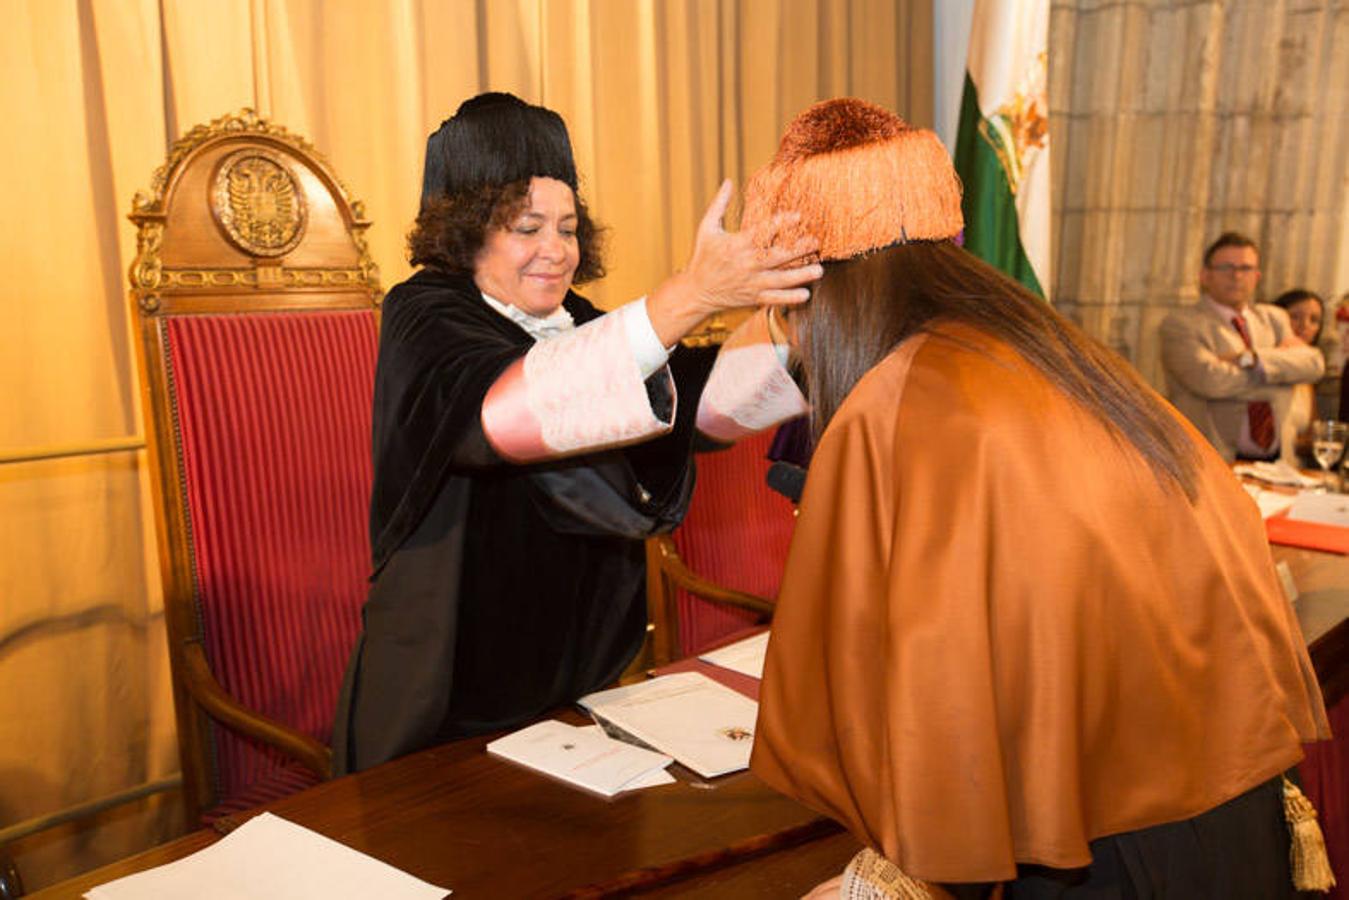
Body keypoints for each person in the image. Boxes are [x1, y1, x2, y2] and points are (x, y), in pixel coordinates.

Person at [742, 98, 1333, 898]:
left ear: (824, 293)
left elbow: (910, 699)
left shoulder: (901, 398)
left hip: (1101, 852)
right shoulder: (1050, 350)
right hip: (1229, 814)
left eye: (787, 315)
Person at [332, 92, 815, 774]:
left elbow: (698, 410)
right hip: (444, 711)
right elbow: (508, 412)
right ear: (465, 231)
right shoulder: (422, 313)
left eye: (566, 227)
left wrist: (800, 314)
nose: (556, 252)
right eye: (528, 228)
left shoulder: (576, 319)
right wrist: (694, 294)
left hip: (577, 697)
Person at [1160, 233, 1324, 461]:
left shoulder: (1275, 318)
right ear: (1204, 276)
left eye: (1245, 268)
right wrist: (1282, 377)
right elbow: (1211, 382)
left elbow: (1314, 364)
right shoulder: (1180, 324)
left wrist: (1252, 359)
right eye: (1226, 267)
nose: (1236, 276)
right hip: (1215, 460)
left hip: (1279, 462)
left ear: (1257, 276)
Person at [1273, 287, 1327, 464]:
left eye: (1314, 320)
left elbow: (1311, 436)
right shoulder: (1260, 367)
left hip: (1292, 472)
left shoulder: (1308, 379)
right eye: (1294, 317)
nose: (1304, 326)